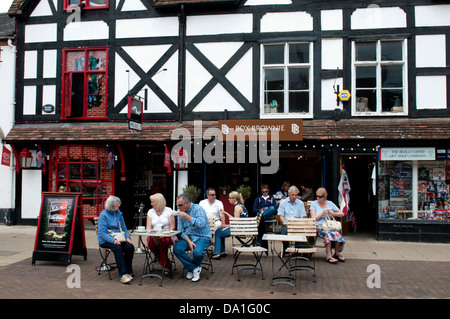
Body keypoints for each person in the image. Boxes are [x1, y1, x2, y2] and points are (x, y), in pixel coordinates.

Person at [213, 191, 267, 259]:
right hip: (243, 228)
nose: (228, 199)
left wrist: (225, 213)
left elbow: (235, 221)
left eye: (230, 198)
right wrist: (227, 225)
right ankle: (222, 251)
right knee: (221, 231)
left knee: (218, 232)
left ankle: (217, 253)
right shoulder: (241, 205)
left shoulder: (237, 207)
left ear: (234, 199)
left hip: (239, 230)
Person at [173, 193, 212, 282]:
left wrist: (187, 216)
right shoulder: (180, 213)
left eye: (180, 205)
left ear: (187, 203)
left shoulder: (198, 209)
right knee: (177, 249)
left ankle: (191, 268)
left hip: (202, 236)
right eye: (177, 205)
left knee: (197, 252)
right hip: (188, 237)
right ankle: (194, 268)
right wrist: (188, 241)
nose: (178, 207)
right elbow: (180, 230)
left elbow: (201, 224)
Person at [97, 195, 135, 284]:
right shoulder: (103, 215)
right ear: (111, 206)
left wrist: (127, 237)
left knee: (130, 247)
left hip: (119, 238)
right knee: (118, 248)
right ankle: (123, 274)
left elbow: (124, 228)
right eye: (116, 205)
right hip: (106, 240)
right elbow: (102, 233)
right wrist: (113, 241)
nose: (119, 206)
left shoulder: (119, 213)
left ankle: (128, 270)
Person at [309, 187, 346, 264]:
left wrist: (333, 214)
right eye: (317, 196)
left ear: (325, 196)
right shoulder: (314, 204)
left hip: (329, 226)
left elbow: (342, 213)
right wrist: (322, 213)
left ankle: (336, 253)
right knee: (328, 234)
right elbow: (313, 218)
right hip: (319, 226)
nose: (318, 198)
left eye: (320, 196)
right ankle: (328, 255)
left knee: (337, 233)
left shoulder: (330, 203)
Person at [146, 193, 176, 276]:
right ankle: (162, 259)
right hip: (154, 235)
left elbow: (172, 227)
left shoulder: (168, 211)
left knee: (163, 243)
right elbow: (148, 227)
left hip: (167, 235)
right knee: (149, 241)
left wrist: (164, 235)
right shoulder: (150, 212)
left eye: (153, 202)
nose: (151, 204)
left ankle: (165, 265)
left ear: (159, 202)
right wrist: (152, 234)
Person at [277, 186, 307, 252]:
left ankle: (297, 250)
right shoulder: (283, 202)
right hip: (287, 223)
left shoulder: (300, 203)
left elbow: (302, 216)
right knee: (284, 231)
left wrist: (298, 224)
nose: (294, 197)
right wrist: (286, 223)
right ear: (289, 194)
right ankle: (285, 249)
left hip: (297, 223)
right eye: (293, 195)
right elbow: (281, 216)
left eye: (296, 195)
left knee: (300, 232)